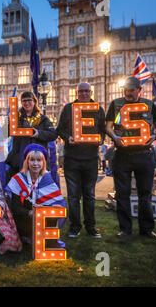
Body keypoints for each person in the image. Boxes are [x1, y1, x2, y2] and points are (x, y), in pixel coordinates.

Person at [105, 76, 156, 240]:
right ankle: (125, 229)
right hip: (122, 154)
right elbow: (108, 126)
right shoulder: (116, 104)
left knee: (145, 194)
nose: (128, 92)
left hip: (144, 154)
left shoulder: (149, 105)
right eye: (126, 89)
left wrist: (155, 135)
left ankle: (147, 229)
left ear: (140, 89)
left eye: (132, 89)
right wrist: (114, 137)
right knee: (122, 193)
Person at [56, 82, 106, 238]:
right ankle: (75, 227)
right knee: (73, 196)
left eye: (86, 91)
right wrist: (67, 137)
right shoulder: (68, 108)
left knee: (89, 196)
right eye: (80, 91)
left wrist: (101, 140)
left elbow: (103, 131)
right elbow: (60, 130)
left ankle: (90, 227)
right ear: (76, 92)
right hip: (72, 159)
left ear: (91, 92)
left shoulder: (98, 109)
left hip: (91, 158)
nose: (83, 94)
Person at [5, 144, 66, 246]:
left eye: (39, 160)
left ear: (43, 163)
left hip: (43, 220)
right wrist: (30, 212)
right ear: (27, 162)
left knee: (55, 212)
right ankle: (27, 237)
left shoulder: (47, 178)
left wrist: (53, 208)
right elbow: (15, 208)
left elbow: (58, 203)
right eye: (32, 160)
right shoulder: (18, 179)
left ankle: (49, 239)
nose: (35, 164)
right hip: (23, 220)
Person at [5, 91, 57, 183]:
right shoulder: (17, 119)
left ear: (34, 102)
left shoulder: (43, 119)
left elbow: (53, 134)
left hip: (38, 160)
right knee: (19, 188)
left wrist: (38, 133)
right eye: (24, 101)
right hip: (19, 159)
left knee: (38, 188)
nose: (26, 103)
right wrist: (8, 126)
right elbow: (5, 134)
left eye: (29, 100)